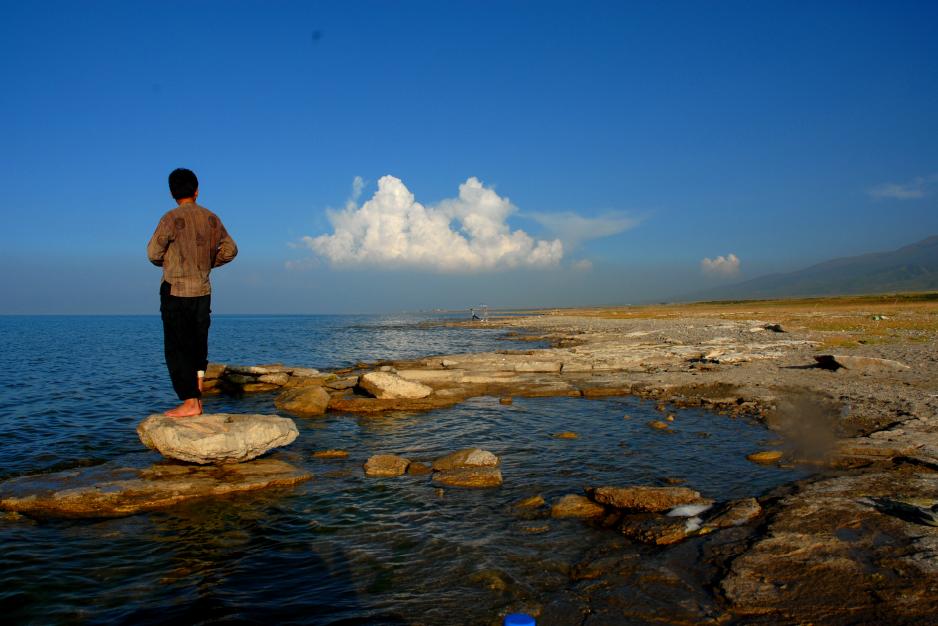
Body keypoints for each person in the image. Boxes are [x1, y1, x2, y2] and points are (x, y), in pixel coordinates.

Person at [147, 168, 238, 417]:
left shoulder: (170, 218)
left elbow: (153, 253)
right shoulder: (212, 219)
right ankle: (197, 397)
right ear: (197, 191)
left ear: (172, 193)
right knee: (198, 345)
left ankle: (190, 402)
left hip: (175, 290)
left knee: (177, 348)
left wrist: (170, 263)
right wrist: (208, 262)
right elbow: (230, 249)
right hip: (202, 289)